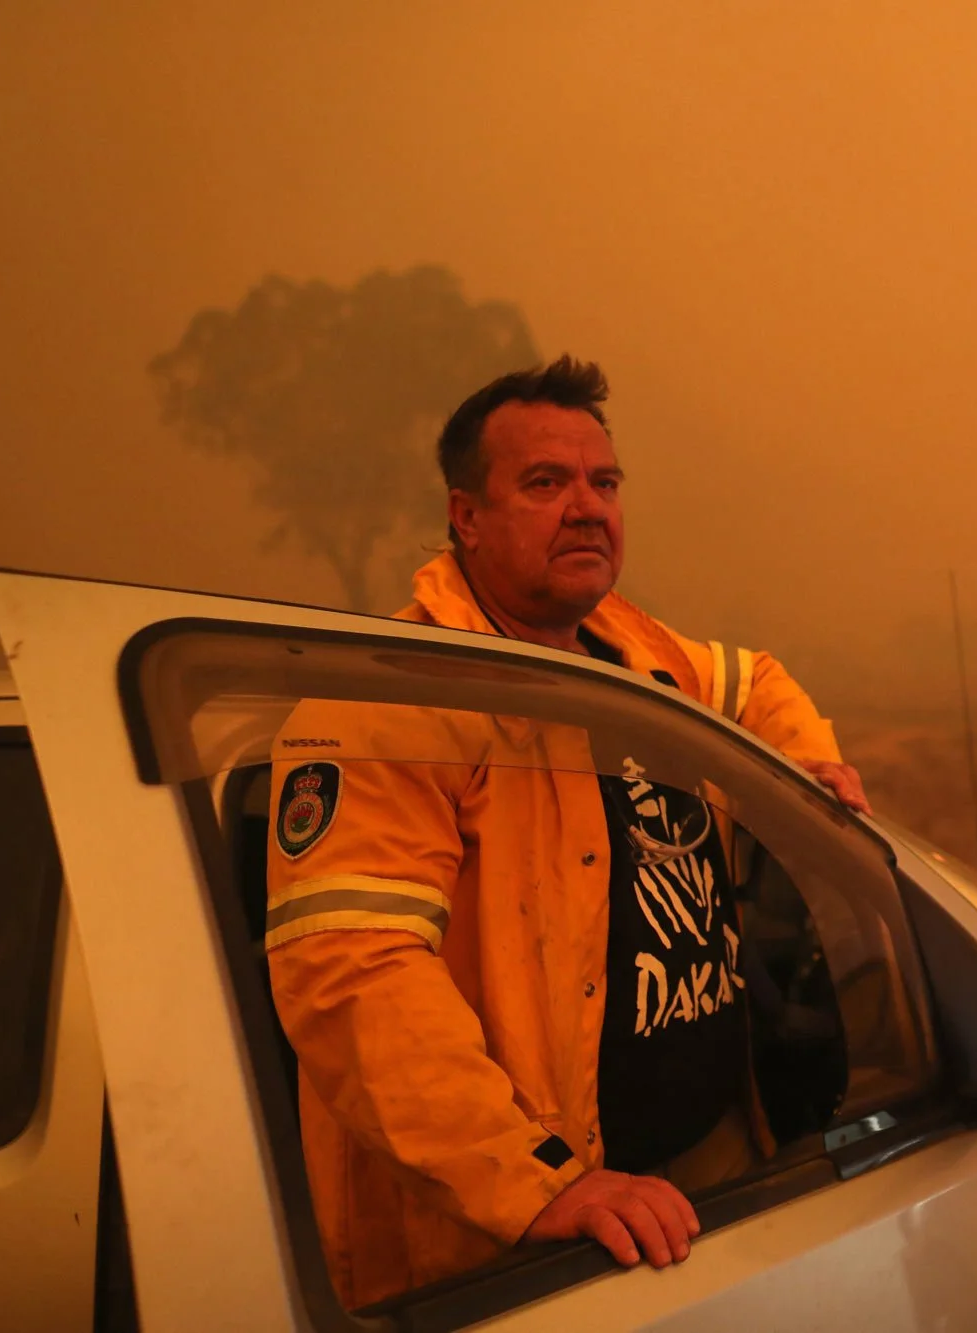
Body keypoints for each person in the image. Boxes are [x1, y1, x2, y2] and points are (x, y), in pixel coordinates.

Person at [263, 355, 869, 1310]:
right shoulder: (389, 700)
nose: (587, 507)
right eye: (546, 483)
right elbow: (351, 973)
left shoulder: (631, 648)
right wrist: (537, 1182)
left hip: (707, 1160)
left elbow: (753, 684)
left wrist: (811, 763)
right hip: (536, 1235)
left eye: (605, 483)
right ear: (466, 516)